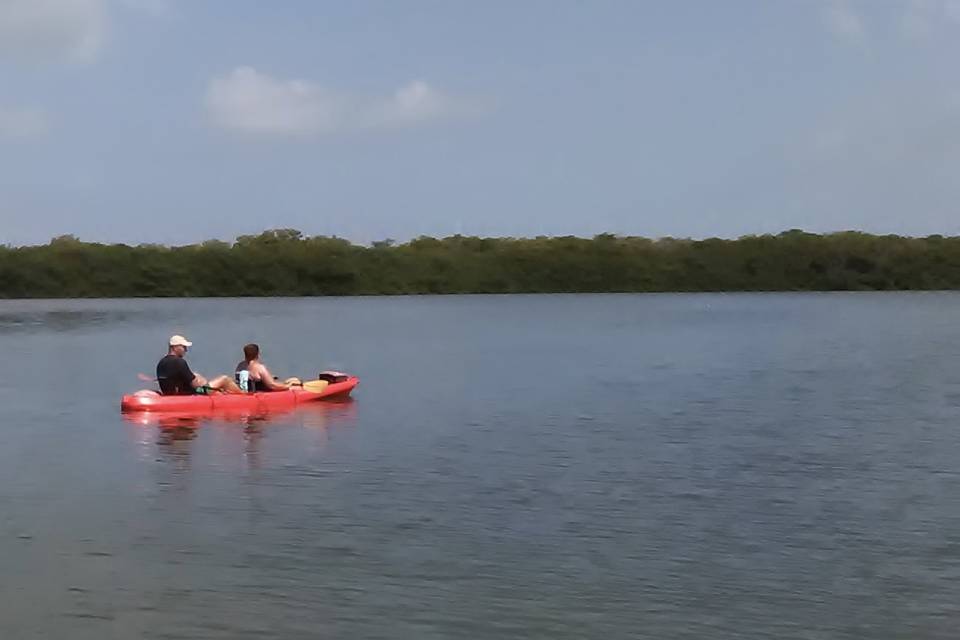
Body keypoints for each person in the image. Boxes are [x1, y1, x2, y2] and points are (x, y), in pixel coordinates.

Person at [156, 335, 242, 395]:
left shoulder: (161, 362)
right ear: (175, 347)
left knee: (197, 376)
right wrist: (199, 382)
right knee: (225, 379)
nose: (186, 350)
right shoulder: (179, 362)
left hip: (172, 393)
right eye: (183, 347)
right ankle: (244, 395)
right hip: (191, 393)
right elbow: (196, 386)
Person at [235, 343, 300, 392]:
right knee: (296, 386)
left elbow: (249, 377)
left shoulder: (240, 366)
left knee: (293, 380)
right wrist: (288, 386)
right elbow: (272, 385)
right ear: (257, 354)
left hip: (246, 391)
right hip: (259, 393)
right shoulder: (260, 368)